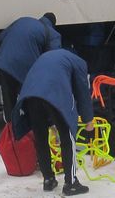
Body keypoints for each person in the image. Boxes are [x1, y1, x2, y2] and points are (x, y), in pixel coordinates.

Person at [11, 49, 93, 196]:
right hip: (55, 94)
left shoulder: (50, 57)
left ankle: (48, 179)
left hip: (31, 95)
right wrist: (88, 119)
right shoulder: (80, 63)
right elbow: (82, 92)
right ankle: (71, 183)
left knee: (41, 137)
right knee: (68, 136)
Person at [0, 13, 61, 122]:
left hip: (3, 64)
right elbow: (54, 58)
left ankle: (10, 127)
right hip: (24, 67)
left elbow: (0, 37)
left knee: (9, 99)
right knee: (31, 96)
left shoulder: (22, 21)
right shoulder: (51, 33)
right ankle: (31, 125)